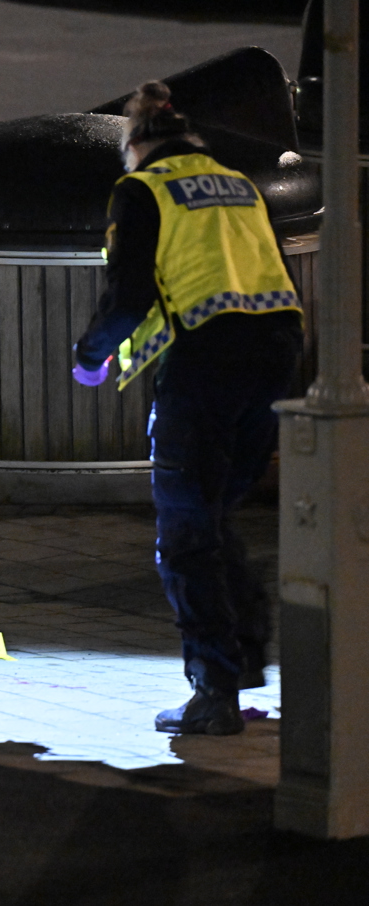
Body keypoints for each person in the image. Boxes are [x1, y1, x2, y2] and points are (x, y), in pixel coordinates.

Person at [73, 81, 303, 736]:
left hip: (208, 363)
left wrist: (92, 356)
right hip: (278, 350)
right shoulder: (236, 183)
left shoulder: (142, 190)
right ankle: (245, 661)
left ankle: (213, 690)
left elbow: (132, 294)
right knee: (215, 510)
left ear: (136, 146)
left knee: (184, 526)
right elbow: (242, 277)